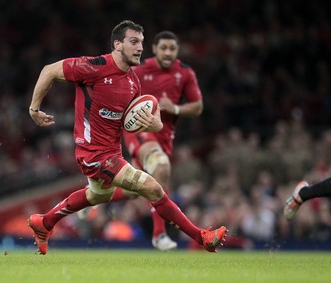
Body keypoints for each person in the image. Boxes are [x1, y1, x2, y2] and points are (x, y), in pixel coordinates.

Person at [27, 20, 227, 255]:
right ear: (117, 45)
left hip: (112, 153)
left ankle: (45, 223)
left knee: (98, 195)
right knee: (152, 187)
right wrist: (34, 109)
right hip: (93, 154)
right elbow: (49, 70)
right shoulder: (95, 66)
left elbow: (135, 124)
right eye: (134, 42)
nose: (140, 48)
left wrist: (157, 123)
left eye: (141, 43)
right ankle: (202, 237)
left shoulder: (133, 83)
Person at [104, 31, 204, 250]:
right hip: (138, 130)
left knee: (135, 189)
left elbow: (197, 106)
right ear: (155, 50)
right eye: (163, 48)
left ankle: (94, 195)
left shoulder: (185, 74)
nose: (168, 52)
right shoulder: (139, 70)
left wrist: (175, 108)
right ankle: (159, 234)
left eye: (172, 49)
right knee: (161, 166)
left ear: (177, 51)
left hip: (164, 136)